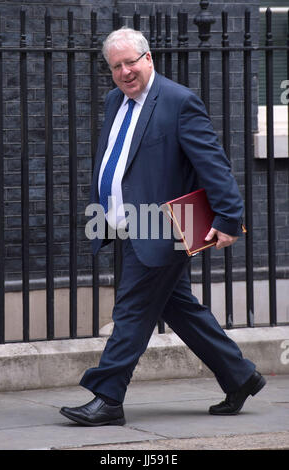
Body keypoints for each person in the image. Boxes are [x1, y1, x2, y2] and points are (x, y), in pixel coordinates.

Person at [60, 27, 266, 426]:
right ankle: (240, 376)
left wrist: (228, 218)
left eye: (131, 62)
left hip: (166, 226)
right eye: (116, 66)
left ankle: (108, 397)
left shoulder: (178, 101)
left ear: (148, 58)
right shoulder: (113, 101)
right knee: (179, 306)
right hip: (127, 224)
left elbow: (213, 164)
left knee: (132, 309)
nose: (124, 72)